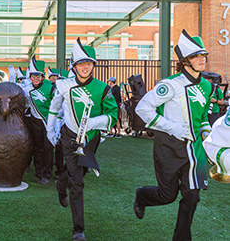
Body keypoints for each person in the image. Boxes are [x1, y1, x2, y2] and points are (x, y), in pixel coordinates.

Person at [134, 30, 213, 241]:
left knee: (192, 196)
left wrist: (207, 131)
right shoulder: (170, 85)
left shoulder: (206, 86)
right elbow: (143, 108)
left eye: (203, 55)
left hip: (194, 150)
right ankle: (142, 196)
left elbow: (203, 114)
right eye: (197, 56)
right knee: (166, 196)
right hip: (168, 147)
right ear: (185, 61)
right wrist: (172, 127)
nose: (202, 59)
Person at [46, 39, 118, 241]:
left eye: (89, 63)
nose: (85, 67)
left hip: (91, 139)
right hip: (69, 137)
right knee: (77, 183)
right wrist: (50, 128)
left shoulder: (103, 88)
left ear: (94, 65)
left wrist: (94, 122)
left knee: (80, 172)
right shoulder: (64, 85)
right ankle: (78, 230)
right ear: (73, 65)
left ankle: (61, 182)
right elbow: (54, 107)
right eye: (81, 63)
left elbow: (113, 115)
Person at [21, 57, 56, 184]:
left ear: (43, 76)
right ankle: (39, 173)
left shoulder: (52, 87)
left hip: (49, 123)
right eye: (33, 76)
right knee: (37, 149)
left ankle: (47, 173)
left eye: (38, 76)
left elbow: (58, 106)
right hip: (35, 122)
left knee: (48, 149)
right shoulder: (27, 89)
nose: (35, 79)